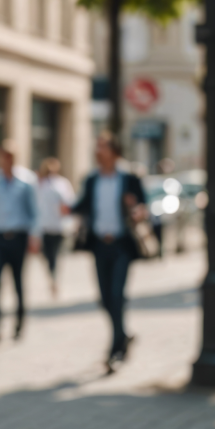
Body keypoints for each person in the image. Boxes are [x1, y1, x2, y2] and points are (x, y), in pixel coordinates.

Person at [71, 131, 147, 373]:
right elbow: (82, 205)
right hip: (99, 245)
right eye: (97, 146)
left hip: (122, 244)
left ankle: (116, 349)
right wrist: (65, 208)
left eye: (102, 146)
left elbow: (143, 205)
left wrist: (137, 211)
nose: (97, 151)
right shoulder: (92, 179)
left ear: (114, 151)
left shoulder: (128, 177)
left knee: (116, 294)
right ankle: (123, 334)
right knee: (105, 298)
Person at [0, 139, 38, 341]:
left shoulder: (27, 181)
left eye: (10, 156)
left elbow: (34, 212)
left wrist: (34, 236)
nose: (7, 160)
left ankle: (20, 322)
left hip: (18, 237)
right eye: (4, 155)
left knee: (18, 282)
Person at [35, 157, 75, 299]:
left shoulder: (63, 183)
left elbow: (69, 203)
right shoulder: (40, 184)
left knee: (56, 256)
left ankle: (55, 280)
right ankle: (51, 278)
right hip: (44, 226)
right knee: (47, 256)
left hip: (59, 226)